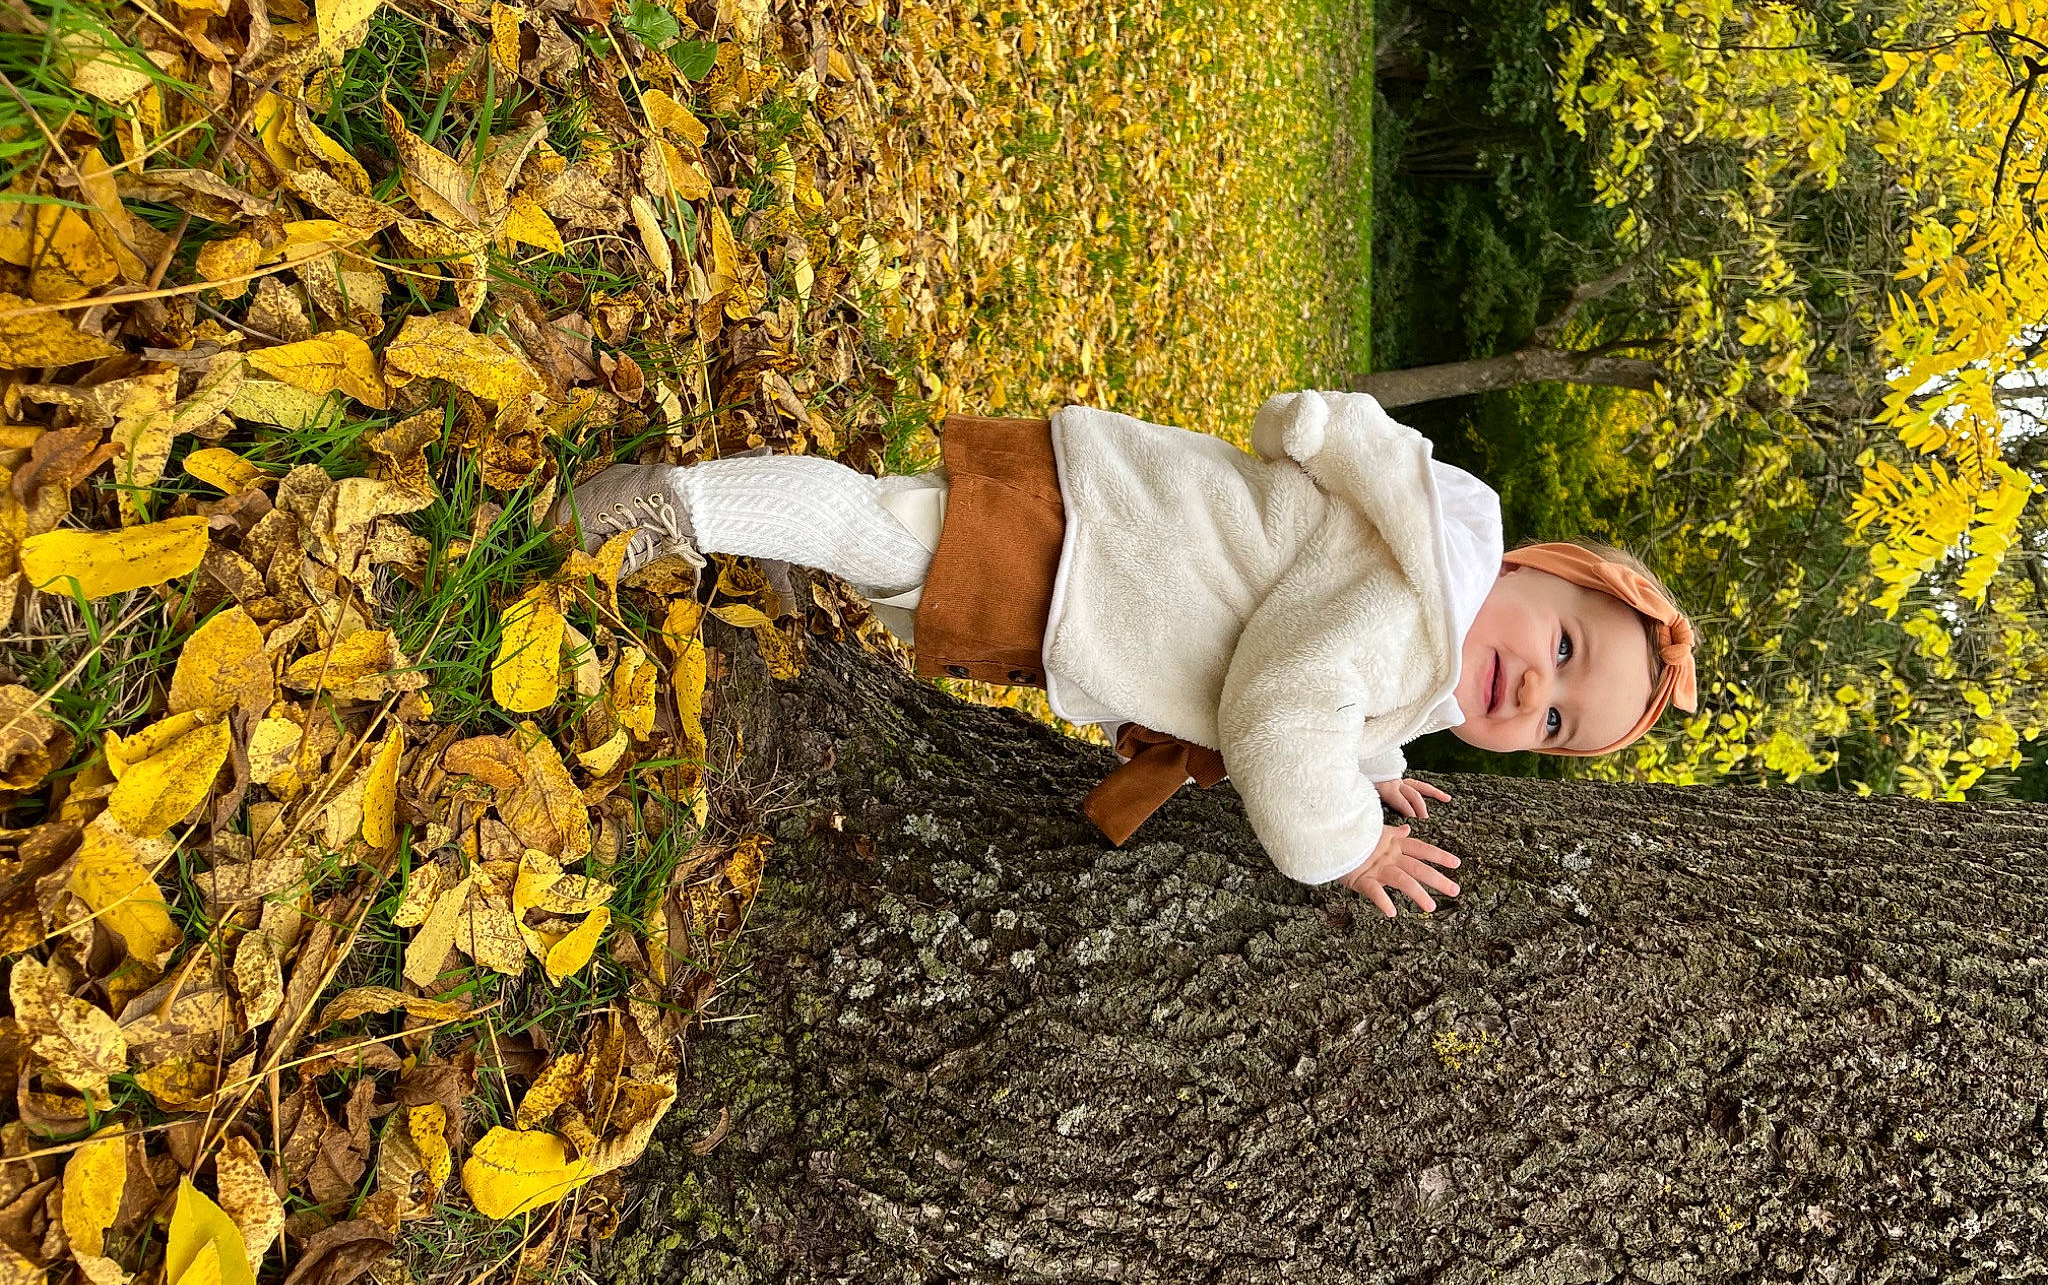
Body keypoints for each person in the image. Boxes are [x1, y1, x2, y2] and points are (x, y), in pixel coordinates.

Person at [551, 392, 1694, 917]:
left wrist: (1371, 759)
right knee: (882, 535)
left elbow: (1326, 687)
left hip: (1084, 575)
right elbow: (1281, 709)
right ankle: (670, 505)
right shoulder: (1412, 602)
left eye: (1553, 723)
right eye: (1560, 643)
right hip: (1079, 550)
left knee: (898, 572)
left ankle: (743, 524)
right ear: (1524, 567)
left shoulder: (1419, 620)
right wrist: (1345, 845)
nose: (1534, 688)